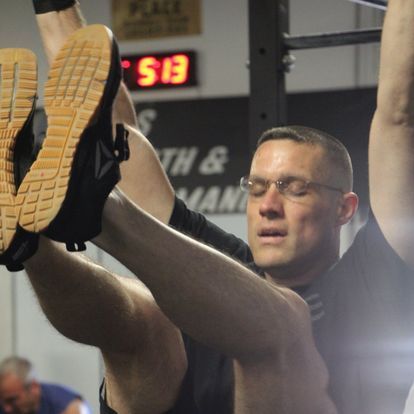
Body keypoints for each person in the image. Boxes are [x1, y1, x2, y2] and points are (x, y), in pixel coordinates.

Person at [1, 0, 414, 414]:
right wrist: (53, 8)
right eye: (257, 187)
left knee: (281, 322)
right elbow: (118, 137)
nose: (268, 205)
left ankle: (99, 208)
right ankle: (32, 245)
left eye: (294, 188)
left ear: (344, 209)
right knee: (145, 313)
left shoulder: (377, 277)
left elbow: (400, 115)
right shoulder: (218, 271)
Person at [0, 356, 91, 414]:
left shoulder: (70, 407)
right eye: (3, 401)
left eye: (12, 400)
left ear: (34, 387)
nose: (7, 409)